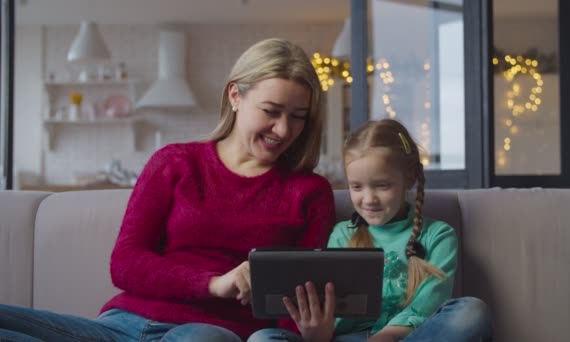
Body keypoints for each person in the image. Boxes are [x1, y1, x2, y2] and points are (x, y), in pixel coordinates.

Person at [0, 38, 336, 342]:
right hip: (121, 325)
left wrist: (311, 334)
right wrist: (213, 283)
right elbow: (125, 263)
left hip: (210, 334)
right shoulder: (175, 162)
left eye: (298, 117)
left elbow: (297, 303)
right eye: (271, 111)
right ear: (235, 95)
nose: (283, 129)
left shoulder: (308, 193)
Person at [248, 119, 493, 342]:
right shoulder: (343, 234)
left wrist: (385, 337)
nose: (369, 199)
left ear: (408, 179)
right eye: (357, 187)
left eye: (382, 186)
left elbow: (428, 304)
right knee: (262, 338)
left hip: (407, 338)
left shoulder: (438, 236)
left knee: (470, 312)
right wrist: (317, 333)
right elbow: (329, 305)